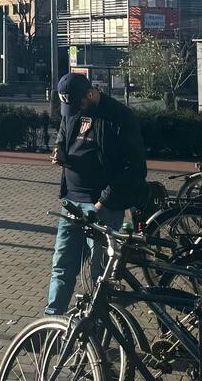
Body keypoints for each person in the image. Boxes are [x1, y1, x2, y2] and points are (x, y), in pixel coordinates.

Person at [45, 72, 147, 316]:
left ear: (91, 93)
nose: (73, 111)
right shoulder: (72, 110)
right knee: (62, 265)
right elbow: (63, 132)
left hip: (102, 206)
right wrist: (60, 149)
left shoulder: (119, 116)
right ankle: (52, 321)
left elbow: (134, 166)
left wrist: (104, 200)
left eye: (77, 104)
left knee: (99, 272)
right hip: (71, 201)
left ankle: (99, 323)